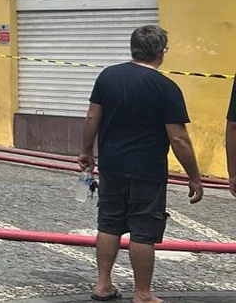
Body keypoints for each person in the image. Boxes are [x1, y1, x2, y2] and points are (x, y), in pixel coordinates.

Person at [77, 24, 203, 303]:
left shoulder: (107, 76)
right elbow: (178, 139)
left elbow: (91, 118)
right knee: (143, 231)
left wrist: (86, 151)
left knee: (108, 224)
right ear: (162, 52)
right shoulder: (166, 87)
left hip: (111, 165)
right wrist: (194, 176)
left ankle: (102, 285)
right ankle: (143, 293)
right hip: (147, 170)